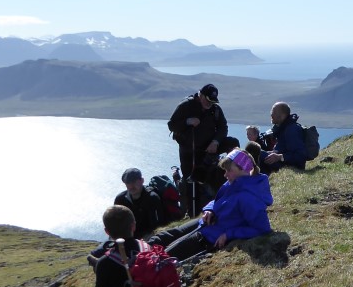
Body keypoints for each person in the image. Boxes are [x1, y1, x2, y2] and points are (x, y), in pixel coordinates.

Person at [149, 149, 272, 261]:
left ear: (243, 169)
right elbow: (218, 201)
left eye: (229, 170)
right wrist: (210, 210)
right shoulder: (235, 182)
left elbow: (262, 228)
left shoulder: (249, 197)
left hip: (208, 238)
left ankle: (145, 264)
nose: (225, 174)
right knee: (170, 234)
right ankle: (144, 247)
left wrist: (228, 234)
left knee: (167, 254)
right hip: (207, 222)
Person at [167, 83, 229, 213]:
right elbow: (172, 125)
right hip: (188, 151)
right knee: (190, 181)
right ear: (200, 95)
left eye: (212, 101)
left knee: (232, 143)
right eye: (208, 100)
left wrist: (216, 142)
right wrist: (187, 121)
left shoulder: (215, 109)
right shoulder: (186, 105)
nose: (210, 104)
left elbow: (223, 127)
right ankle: (192, 213)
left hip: (208, 149)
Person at [113, 168, 163, 238]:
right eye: (128, 183)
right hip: (128, 237)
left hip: (148, 237)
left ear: (142, 180)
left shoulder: (152, 198)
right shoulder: (120, 199)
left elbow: (157, 226)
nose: (131, 186)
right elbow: (115, 224)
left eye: (133, 181)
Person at [261, 101, 308, 172]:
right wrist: (274, 152)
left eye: (274, 112)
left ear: (283, 116)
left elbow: (300, 156)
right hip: (283, 162)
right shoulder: (283, 128)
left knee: (258, 155)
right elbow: (283, 148)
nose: (271, 114)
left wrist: (279, 157)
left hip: (293, 167)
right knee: (255, 152)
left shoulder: (292, 130)